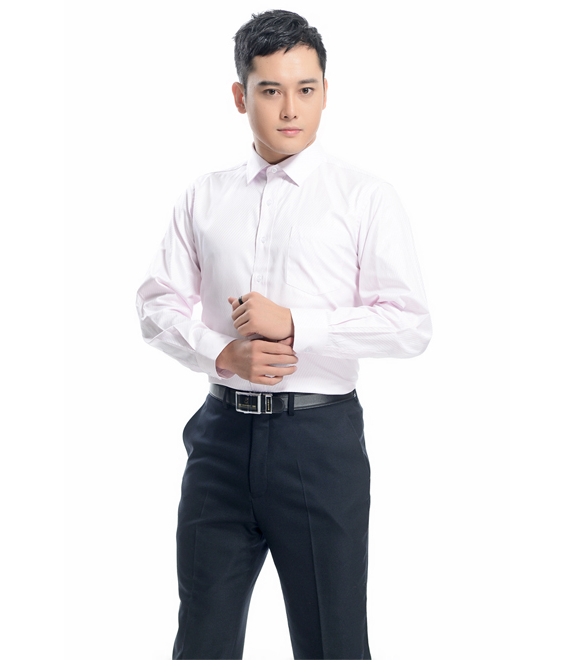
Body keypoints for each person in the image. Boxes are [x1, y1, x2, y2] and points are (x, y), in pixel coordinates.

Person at [136, 9, 431, 660]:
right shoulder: (204, 196)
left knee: (333, 644)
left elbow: (410, 325)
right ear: (240, 96)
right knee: (202, 642)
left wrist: (297, 323)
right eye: (270, 90)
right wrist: (223, 351)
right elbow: (155, 303)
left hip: (318, 445)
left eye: (306, 88)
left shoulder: (364, 197)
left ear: (326, 91)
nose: (291, 108)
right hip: (219, 440)